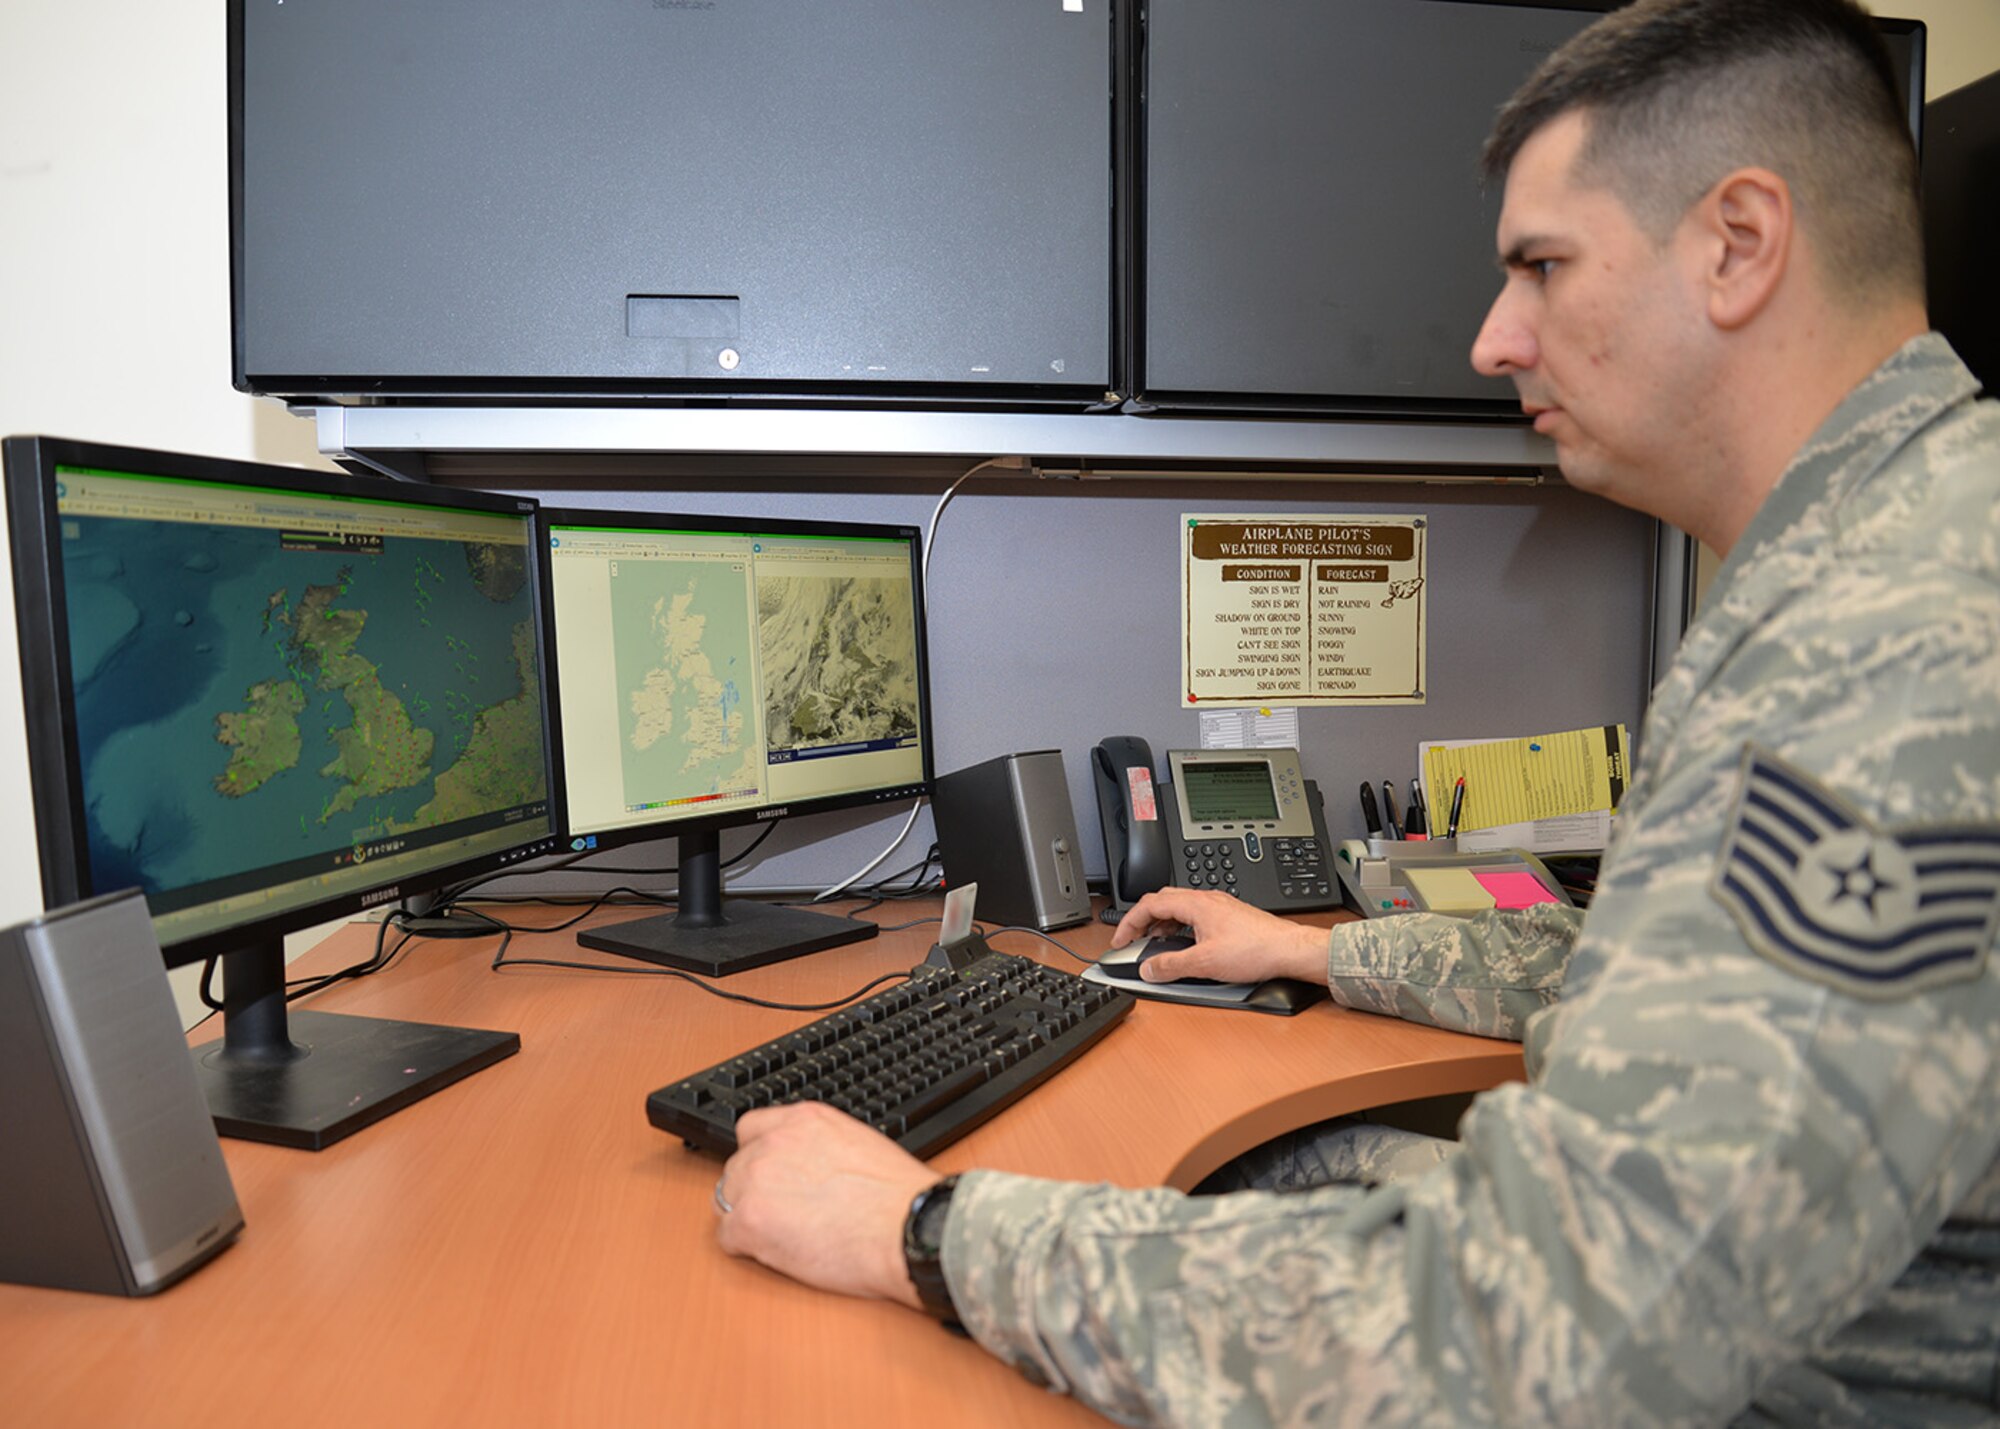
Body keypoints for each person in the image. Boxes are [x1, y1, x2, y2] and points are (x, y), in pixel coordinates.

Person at [713, 0, 2000, 1421]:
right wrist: (1309, 951)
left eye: (1543, 266)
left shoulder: (1891, 639)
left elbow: (1540, 1338)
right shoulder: (1887, 546)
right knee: (1258, 1175)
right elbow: (1644, 966)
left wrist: (929, 1232)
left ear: (1739, 244)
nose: (1492, 339)